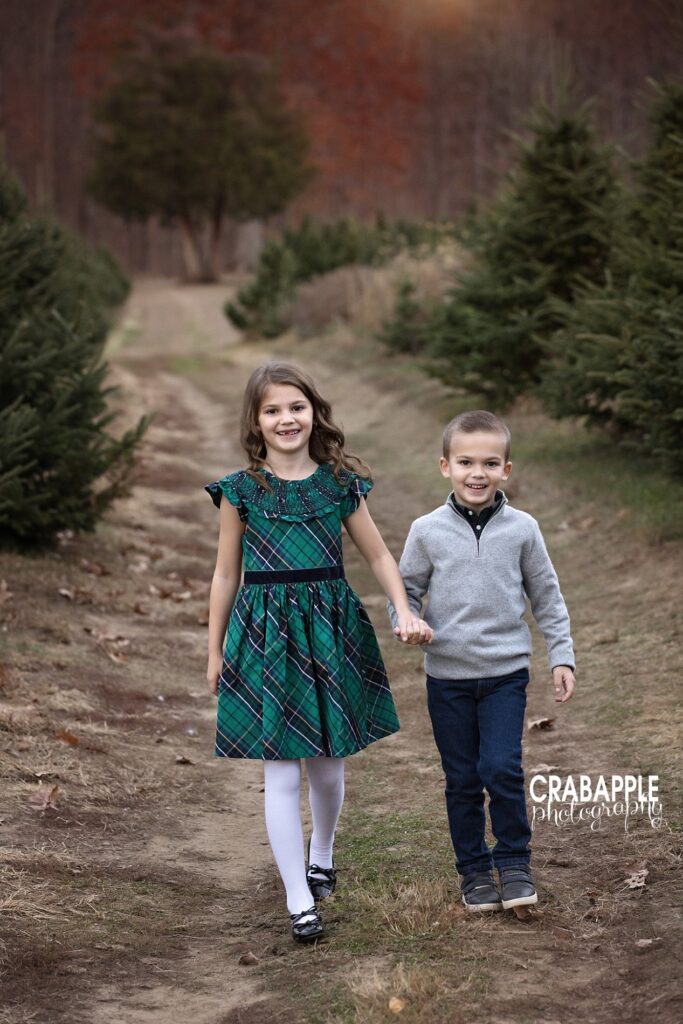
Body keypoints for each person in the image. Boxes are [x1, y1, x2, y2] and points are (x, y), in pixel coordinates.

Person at [205, 361, 432, 943]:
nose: (287, 419)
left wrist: (403, 609)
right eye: (273, 410)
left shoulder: (338, 485)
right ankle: (297, 896)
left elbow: (380, 557)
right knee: (280, 773)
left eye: (296, 407)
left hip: (329, 631)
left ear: (314, 413)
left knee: (328, 770)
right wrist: (215, 652)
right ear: (256, 422)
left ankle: (321, 854)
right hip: (264, 636)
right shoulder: (241, 493)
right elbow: (225, 575)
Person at [388, 410, 575, 912]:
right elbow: (403, 591)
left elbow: (547, 596)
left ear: (506, 470)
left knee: (501, 767)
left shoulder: (522, 529)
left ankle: (514, 861)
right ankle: (473, 871)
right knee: (464, 778)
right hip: (446, 676)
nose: (478, 473)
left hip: (504, 674)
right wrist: (406, 621)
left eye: (490, 463)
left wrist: (563, 655)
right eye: (466, 462)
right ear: (445, 465)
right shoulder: (426, 531)